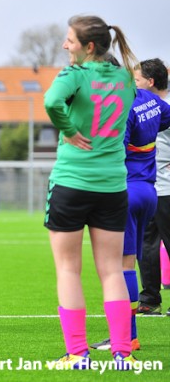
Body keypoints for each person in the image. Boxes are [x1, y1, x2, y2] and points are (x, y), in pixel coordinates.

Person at [43, 15, 138, 369]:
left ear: (90, 46)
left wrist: (67, 128)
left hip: (71, 183)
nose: (65, 45)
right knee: (112, 271)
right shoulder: (127, 78)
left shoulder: (74, 75)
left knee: (68, 269)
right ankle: (121, 354)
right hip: (113, 185)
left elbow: (52, 103)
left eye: (70, 40)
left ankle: (78, 354)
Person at [89, 64, 170, 351]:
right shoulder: (148, 98)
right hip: (148, 190)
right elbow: (166, 118)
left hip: (125, 192)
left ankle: (126, 336)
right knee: (126, 264)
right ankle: (127, 335)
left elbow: (114, 152)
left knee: (119, 268)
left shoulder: (118, 108)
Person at [134, 58, 170, 317]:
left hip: (168, 189)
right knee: (146, 245)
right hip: (149, 187)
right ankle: (149, 298)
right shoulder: (142, 105)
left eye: (136, 80)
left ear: (150, 81)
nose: (133, 85)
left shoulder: (166, 106)